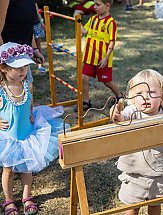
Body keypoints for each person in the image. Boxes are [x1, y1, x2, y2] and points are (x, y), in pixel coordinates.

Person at [0, 42, 68, 215]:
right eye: (18, 67)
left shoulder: (26, 85)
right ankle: (8, 200)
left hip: (28, 136)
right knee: (8, 171)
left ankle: (26, 196)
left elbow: (29, 101)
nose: (23, 70)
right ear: (4, 68)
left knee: (27, 168)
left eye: (25, 66)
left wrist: (30, 113)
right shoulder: (1, 91)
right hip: (9, 140)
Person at [110, 69, 163, 215]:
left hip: (158, 171)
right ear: (132, 97)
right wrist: (115, 112)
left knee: (155, 205)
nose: (145, 97)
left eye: (151, 92)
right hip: (134, 172)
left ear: (162, 94)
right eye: (139, 94)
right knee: (131, 207)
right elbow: (120, 118)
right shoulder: (132, 111)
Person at [79, 0, 122, 111]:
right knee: (84, 78)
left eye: (98, 5)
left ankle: (120, 96)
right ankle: (86, 102)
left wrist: (106, 58)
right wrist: (77, 19)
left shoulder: (111, 23)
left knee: (106, 81)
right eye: (94, 4)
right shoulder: (93, 19)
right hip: (89, 57)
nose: (95, 7)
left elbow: (112, 41)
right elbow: (84, 31)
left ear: (107, 5)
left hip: (102, 59)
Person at [0, 0, 45, 87]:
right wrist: (4, 63)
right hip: (9, 64)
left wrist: (34, 49)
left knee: (27, 94)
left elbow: (26, 24)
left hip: (22, 59)